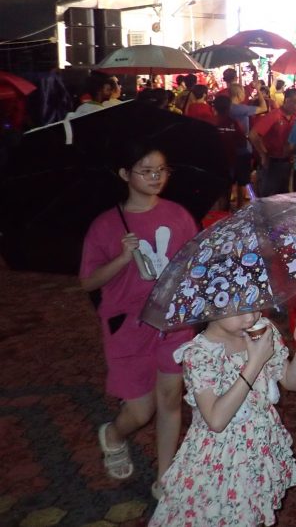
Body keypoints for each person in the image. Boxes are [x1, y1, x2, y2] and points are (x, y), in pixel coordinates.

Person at [80, 143, 198, 497]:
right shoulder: (105, 224)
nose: (155, 177)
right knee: (141, 409)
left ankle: (165, 477)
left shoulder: (179, 215)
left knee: (170, 400)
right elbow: (88, 282)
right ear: (124, 175)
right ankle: (114, 435)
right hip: (127, 325)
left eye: (161, 169)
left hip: (173, 322)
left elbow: (193, 262)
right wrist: (122, 257)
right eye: (146, 170)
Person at [149, 313, 296, 525]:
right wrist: (254, 363)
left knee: (252, 513)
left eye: (254, 304)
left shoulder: (262, 330)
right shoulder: (200, 354)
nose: (250, 318)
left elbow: (291, 382)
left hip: (259, 447)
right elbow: (216, 420)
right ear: (210, 307)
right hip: (219, 460)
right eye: (239, 310)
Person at [250, 90, 296, 197]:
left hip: (287, 162)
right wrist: (263, 153)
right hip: (272, 162)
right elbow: (253, 135)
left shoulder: (295, 118)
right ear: (287, 101)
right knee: (268, 196)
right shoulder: (275, 115)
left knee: (283, 195)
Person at [212, 95, 251, 210]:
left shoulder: (211, 122)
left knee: (224, 189)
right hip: (237, 157)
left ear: (214, 107)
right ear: (229, 108)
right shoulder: (234, 123)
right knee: (241, 182)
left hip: (219, 160)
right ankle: (240, 208)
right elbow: (242, 141)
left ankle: (223, 211)